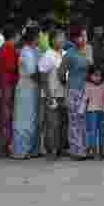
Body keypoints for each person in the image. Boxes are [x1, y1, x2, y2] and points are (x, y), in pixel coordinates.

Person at [11, 27, 41, 160]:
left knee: (33, 119)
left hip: (33, 88)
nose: (39, 39)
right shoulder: (26, 52)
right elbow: (32, 72)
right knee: (24, 119)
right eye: (38, 36)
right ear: (34, 38)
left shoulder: (35, 51)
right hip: (26, 87)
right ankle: (20, 150)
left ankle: (31, 149)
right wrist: (44, 81)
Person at [37, 30, 67, 159]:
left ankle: (60, 148)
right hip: (52, 94)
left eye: (63, 37)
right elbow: (43, 78)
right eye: (60, 38)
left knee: (63, 123)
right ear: (53, 40)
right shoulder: (48, 55)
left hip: (64, 94)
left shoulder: (65, 54)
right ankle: (51, 150)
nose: (63, 40)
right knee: (52, 124)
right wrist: (48, 96)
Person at [63, 25, 90, 159]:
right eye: (82, 36)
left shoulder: (88, 50)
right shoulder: (69, 54)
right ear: (75, 38)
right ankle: (76, 151)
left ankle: (85, 149)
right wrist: (68, 87)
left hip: (87, 90)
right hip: (74, 90)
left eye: (85, 36)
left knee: (84, 120)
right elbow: (61, 73)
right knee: (74, 120)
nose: (85, 38)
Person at [0, 24, 20, 157]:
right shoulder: (9, 48)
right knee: (7, 116)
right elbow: (11, 68)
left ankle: (4, 145)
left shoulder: (2, 48)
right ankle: (5, 146)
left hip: (3, 84)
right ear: (14, 36)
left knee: (4, 115)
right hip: (8, 84)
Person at [85, 66, 104, 158]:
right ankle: (93, 151)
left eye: (99, 75)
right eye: (95, 75)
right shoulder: (87, 85)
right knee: (92, 132)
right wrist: (83, 109)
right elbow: (86, 98)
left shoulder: (103, 85)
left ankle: (101, 151)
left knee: (102, 132)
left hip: (102, 110)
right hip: (91, 111)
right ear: (90, 75)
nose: (97, 77)